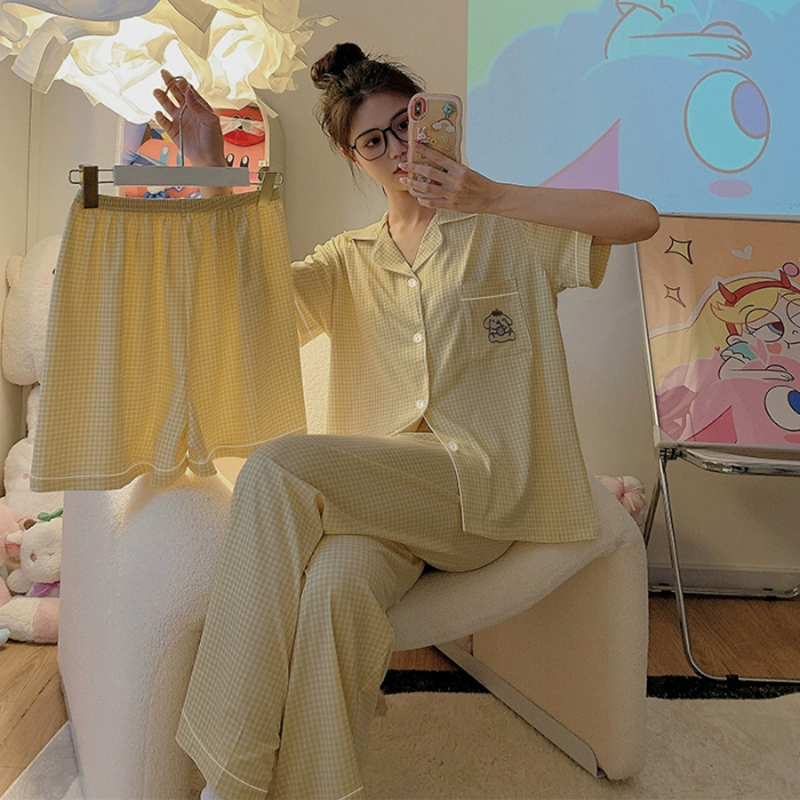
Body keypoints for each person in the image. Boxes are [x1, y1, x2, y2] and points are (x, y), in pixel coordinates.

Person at [153, 42, 659, 800]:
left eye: (406, 125)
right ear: (352, 158)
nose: (397, 149)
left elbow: (639, 219)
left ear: (436, 122)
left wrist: (489, 196)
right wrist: (212, 171)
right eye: (373, 140)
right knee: (333, 588)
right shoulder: (347, 261)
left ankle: (227, 778)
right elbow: (248, 308)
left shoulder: (505, 228)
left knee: (277, 467)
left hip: (484, 495)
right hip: (386, 507)